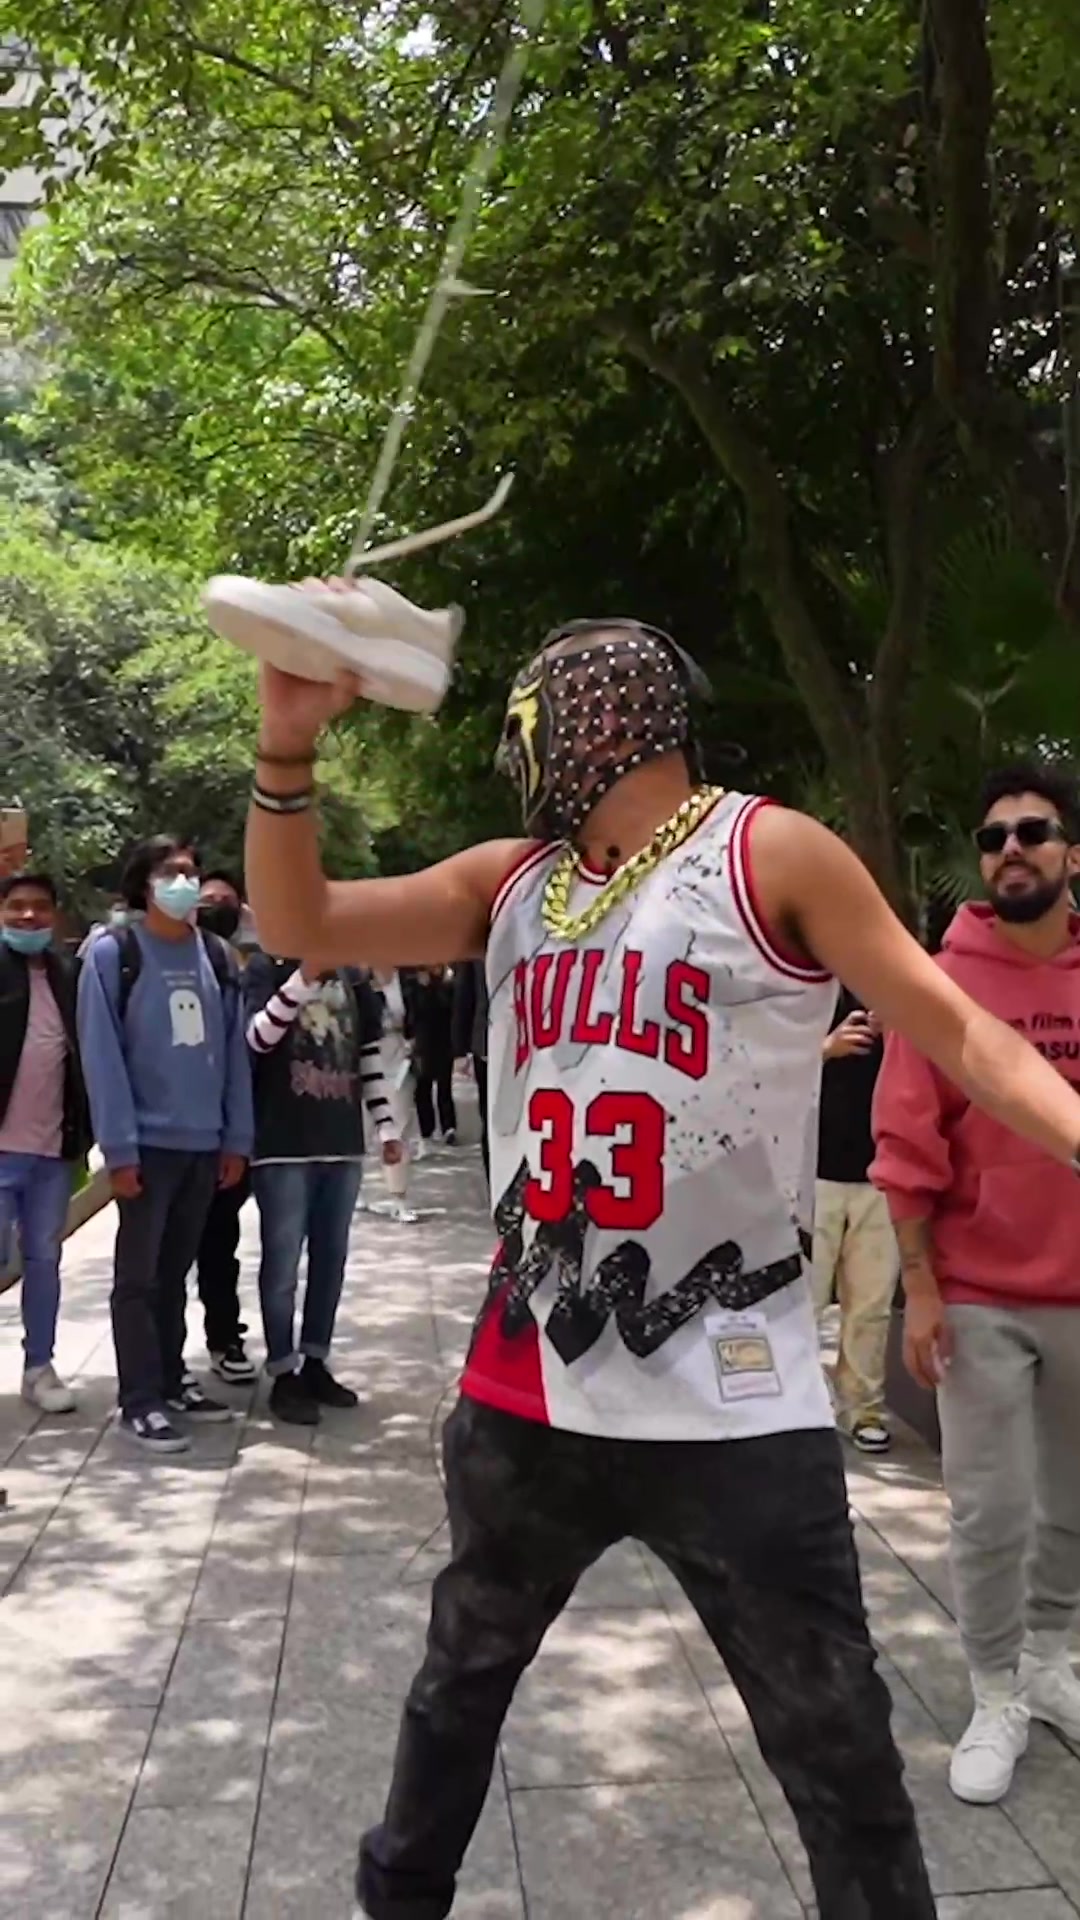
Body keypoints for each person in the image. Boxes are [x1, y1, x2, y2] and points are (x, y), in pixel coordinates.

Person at [247, 605, 1080, 1920]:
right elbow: (303, 917)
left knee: (838, 1745)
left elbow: (961, 1032)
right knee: (457, 1692)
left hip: (734, 1397)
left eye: (530, 718)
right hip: (533, 1384)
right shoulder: (512, 883)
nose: (517, 748)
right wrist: (285, 752)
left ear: (594, 716)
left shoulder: (767, 851)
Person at [873, 761, 1080, 1807]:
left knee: (1073, 1504)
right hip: (979, 1294)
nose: (1011, 851)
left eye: (1033, 832)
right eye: (994, 837)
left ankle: (1050, 1659)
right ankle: (995, 1690)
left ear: (1072, 853)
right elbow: (905, 1145)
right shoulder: (940, 985)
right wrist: (920, 1287)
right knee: (991, 1512)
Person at [77, 835, 253, 1453]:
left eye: (191, 871)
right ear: (143, 883)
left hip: (204, 1145)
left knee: (175, 1272)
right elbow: (102, 1057)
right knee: (138, 1278)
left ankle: (173, 1379)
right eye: (170, 871)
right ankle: (139, 1400)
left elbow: (233, 1053)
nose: (185, 882)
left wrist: (236, 1137)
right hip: (147, 1146)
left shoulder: (218, 957)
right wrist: (119, 1150)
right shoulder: (114, 953)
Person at [245, 953, 400, 1424]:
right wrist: (302, 978)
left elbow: (367, 1056)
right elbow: (257, 1039)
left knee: (331, 1261)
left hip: (342, 1143)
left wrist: (386, 1125)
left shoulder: (354, 976)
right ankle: (282, 1368)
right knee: (282, 1265)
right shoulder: (266, 967)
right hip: (282, 1145)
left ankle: (316, 1359)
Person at [0, 871, 92, 1413]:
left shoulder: (68, 974)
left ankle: (39, 1366)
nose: (28, 916)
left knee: (43, 1260)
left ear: (54, 915)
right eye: (16, 906)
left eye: (39, 906)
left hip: (53, 1151)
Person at [811, 991, 897, 1454]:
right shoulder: (809, 985)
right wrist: (826, 1048)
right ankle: (802, 1406)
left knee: (871, 1303)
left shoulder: (899, 988)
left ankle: (862, 1408)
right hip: (812, 1172)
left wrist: (900, 1031)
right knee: (802, 1302)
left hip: (880, 1175)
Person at [191, 870, 257, 1384]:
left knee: (219, 1243)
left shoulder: (251, 965)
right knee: (162, 1256)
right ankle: (160, 1360)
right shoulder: (169, 959)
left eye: (226, 901)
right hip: (173, 1132)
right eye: (208, 899)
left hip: (231, 1129)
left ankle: (225, 1337)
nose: (216, 906)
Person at [370, 965, 423, 1207]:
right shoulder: (360, 980)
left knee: (399, 1126)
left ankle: (399, 1196)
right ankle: (359, 1191)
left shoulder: (408, 979)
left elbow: (420, 1016)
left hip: (401, 1060)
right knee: (365, 1131)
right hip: (368, 1060)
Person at [409, 966, 457, 1145]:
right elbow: (414, 1014)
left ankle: (448, 1127)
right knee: (423, 1087)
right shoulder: (415, 986)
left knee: (444, 1086)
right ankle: (427, 1129)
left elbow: (450, 1008)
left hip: (444, 1041)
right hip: (423, 1042)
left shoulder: (448, 985)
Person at [451, 958, 490, 1180]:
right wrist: (460, 1050)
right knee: (490, 1117)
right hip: (487, 1045)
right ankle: (494, 1182)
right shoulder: (478, 951)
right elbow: (464, 997)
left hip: (530, 1043)